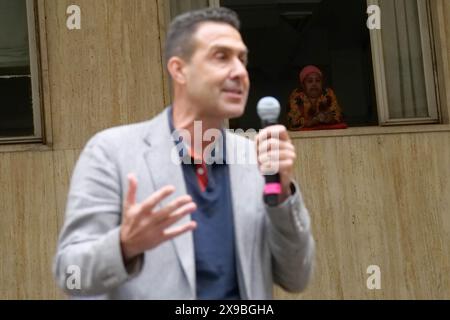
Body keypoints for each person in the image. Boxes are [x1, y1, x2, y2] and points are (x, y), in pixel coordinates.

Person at [53, 7, 314, 300]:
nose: (240, 72)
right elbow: (70, 274)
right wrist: (124, 245)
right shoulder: (111, 152)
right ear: (179, 69)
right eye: (221, 57)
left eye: (242, 59)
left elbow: (297, 277)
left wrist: (282, 195)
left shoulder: (256, 158)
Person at [287, 65, 347, 131]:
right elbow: (293, 122)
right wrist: (312, 121)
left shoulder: (328, 94)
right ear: (303, 85)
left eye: (318, 81)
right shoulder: (297, 96)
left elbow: (339, 115)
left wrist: (330, 118)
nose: (314, 84)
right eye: (310, 81)